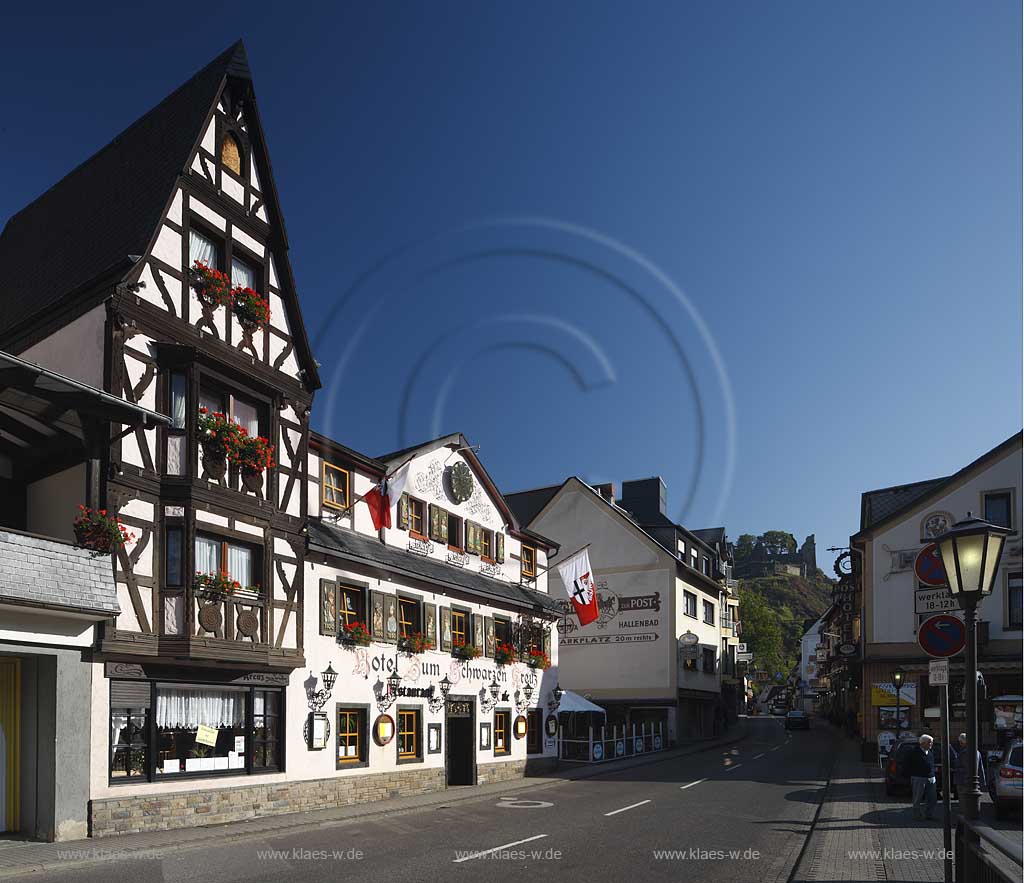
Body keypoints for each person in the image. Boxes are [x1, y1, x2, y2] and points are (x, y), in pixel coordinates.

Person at [905, 733, 938, 820]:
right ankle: (917, 815)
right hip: (919, 777)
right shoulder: (914, 752)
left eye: (931, 742)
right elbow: (908, 764)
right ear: (922, 743)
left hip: (931, 777)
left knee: (932, 798)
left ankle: (929, 814)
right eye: (929, 742)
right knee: (917, 798)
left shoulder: (930, 752)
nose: (931, 744)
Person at [953, 733, 987, 799]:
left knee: (964, 801)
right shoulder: (977, 752)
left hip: (964, 781)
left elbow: (966, 768)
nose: (960, 744)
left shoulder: (964, 753)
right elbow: (980, 767)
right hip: (975, 781)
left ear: (963, 742)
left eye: (960, 742)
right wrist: (982, 781)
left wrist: (955, 769)